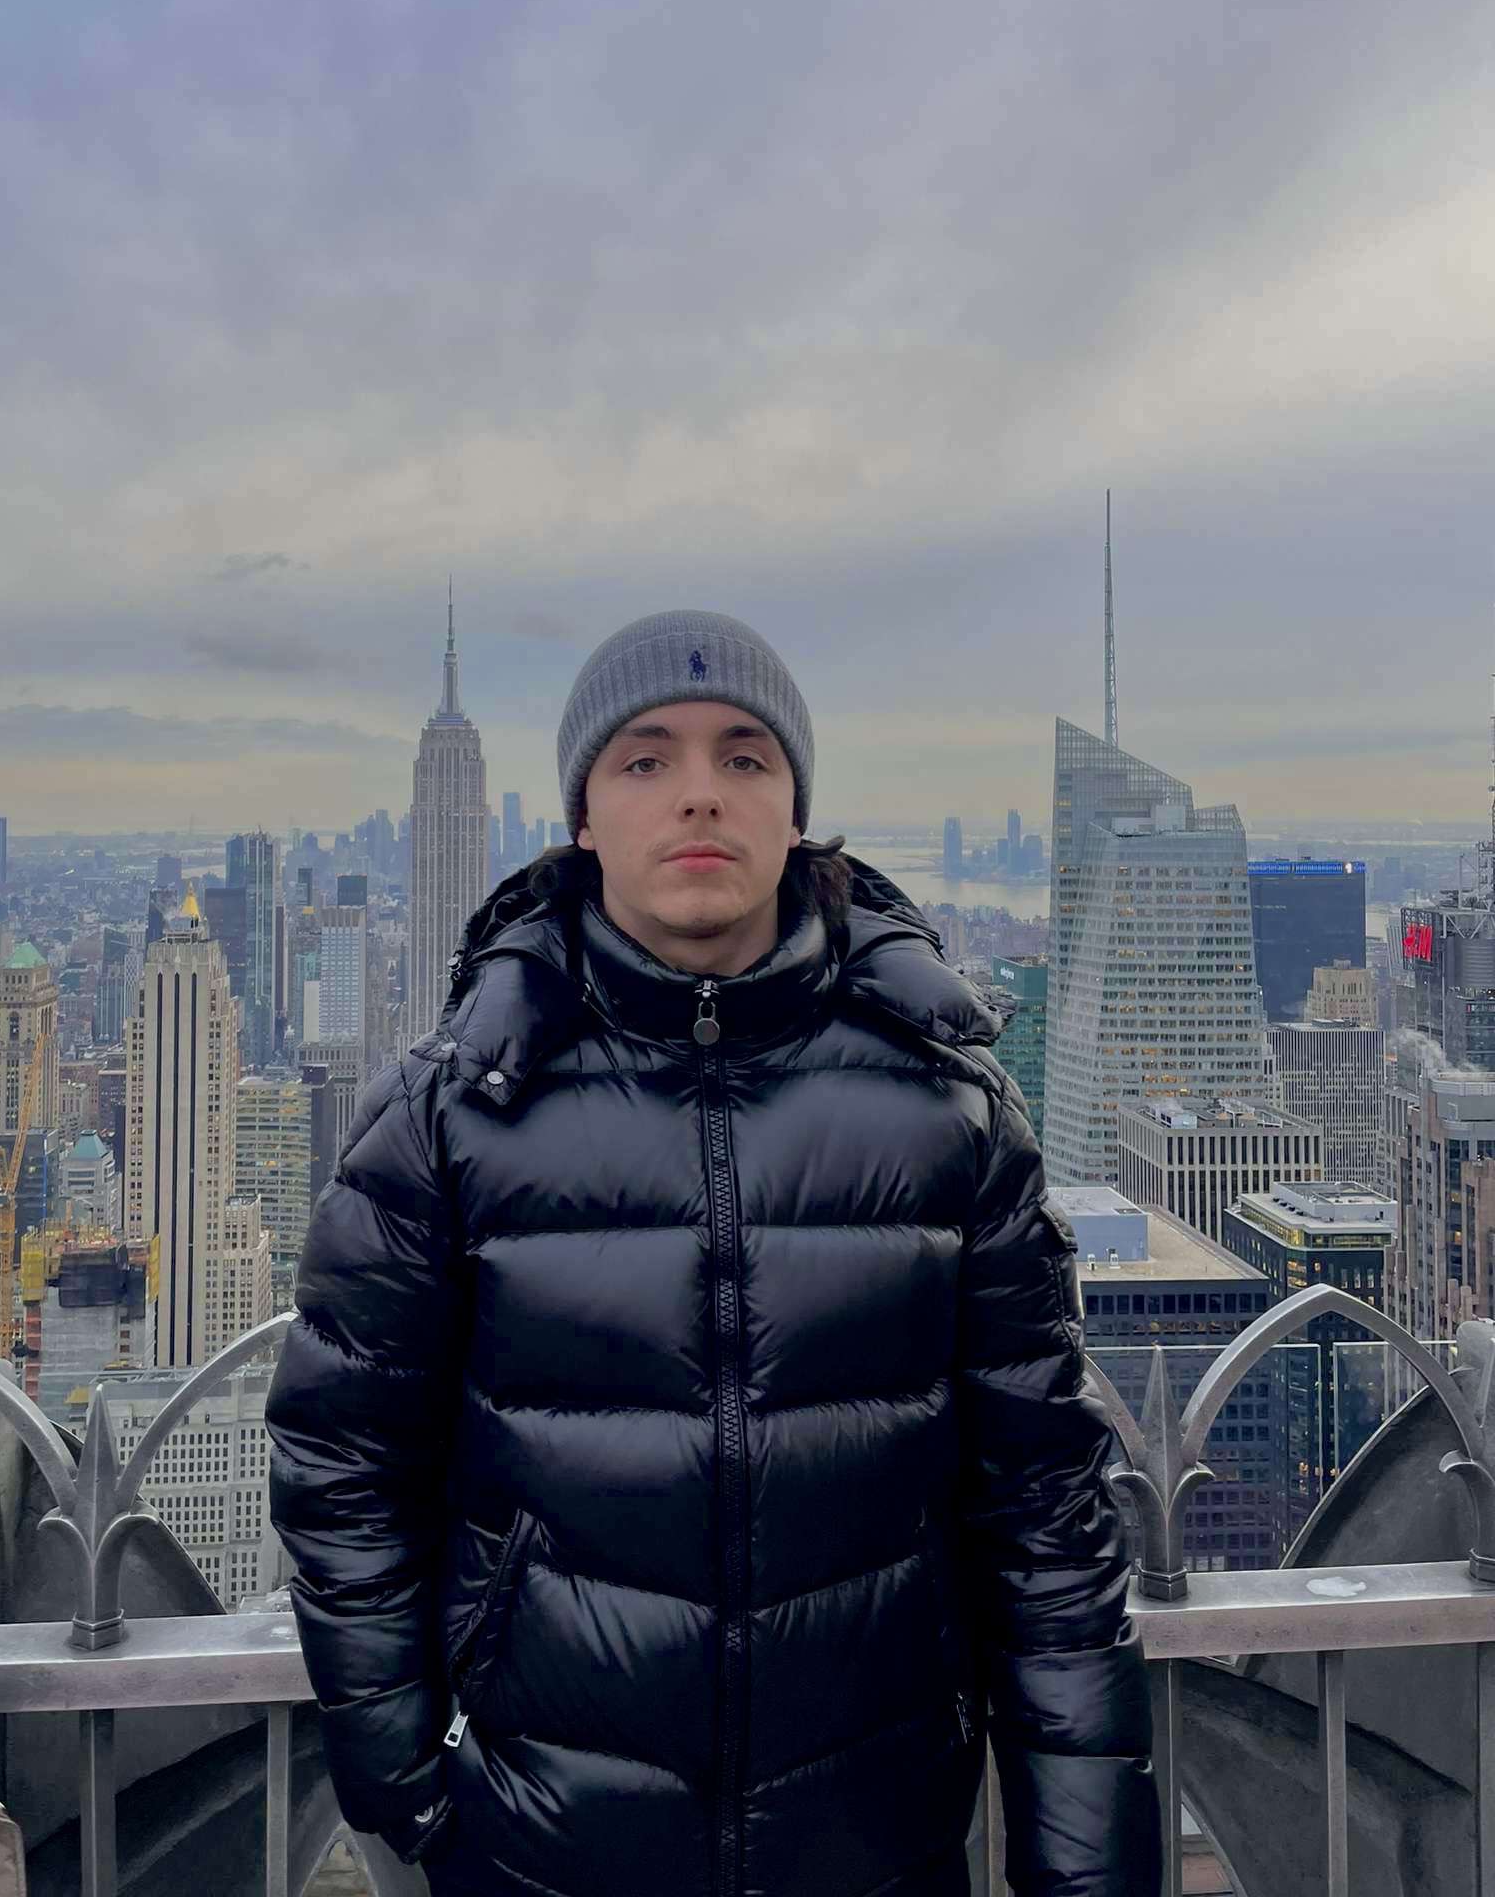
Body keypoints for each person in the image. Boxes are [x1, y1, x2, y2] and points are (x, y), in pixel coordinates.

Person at [266, 608, 1159, 1897]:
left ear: (797, 811)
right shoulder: (451, 1112)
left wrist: (1085, 1868)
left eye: (745, 757)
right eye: (646, 759)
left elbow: (1044, 1512)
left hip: (875, 1843)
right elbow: (343, 1460)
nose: (699, 794)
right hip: (539, 1843)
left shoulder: (949, 1110)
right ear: (584, 816)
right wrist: (407, 1779)